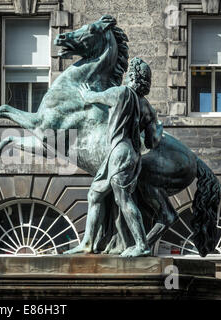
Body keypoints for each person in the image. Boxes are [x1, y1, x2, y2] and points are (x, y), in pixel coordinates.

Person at [70, 57, 163, 257]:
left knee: (124, 199)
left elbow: (90, 97)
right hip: (130, 154)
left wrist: (86, 91)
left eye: (129, 73)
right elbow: (152, 143)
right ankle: (87, 243)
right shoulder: (147, 108)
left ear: (132, 76)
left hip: (120, 152)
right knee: (94, 194)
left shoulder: (120, 93)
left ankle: (142, 245)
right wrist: (159, 128)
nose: (127, 75)